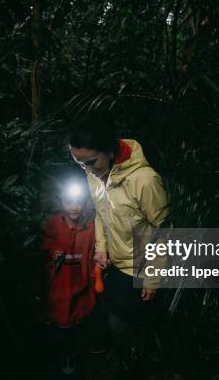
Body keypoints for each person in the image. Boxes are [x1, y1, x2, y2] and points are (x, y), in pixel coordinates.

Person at [69, 116, 169, 343]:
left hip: (138, 267)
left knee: (119, 321)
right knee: (107, 305)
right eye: (79, 163)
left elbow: (164, 230)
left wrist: (154, 276)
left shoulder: (144, 180)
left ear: (110, 151)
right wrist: (102, 248)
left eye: (90, 162)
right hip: (113, 261)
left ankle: (129, 360)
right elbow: (100, 213)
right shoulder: (93, 175)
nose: (85, 169)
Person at [41, 179, 99, 376]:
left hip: (81, 284)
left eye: (78, 202)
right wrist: (53, 251)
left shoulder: (90, 228)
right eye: (68, 202)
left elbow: (96, 251)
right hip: (60, 286)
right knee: (61, 322)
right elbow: (45, 245)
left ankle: (74, 353)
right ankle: (62, 353)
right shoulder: (53, 224)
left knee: (80, 322)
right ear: (60, 203)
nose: (74, 207)